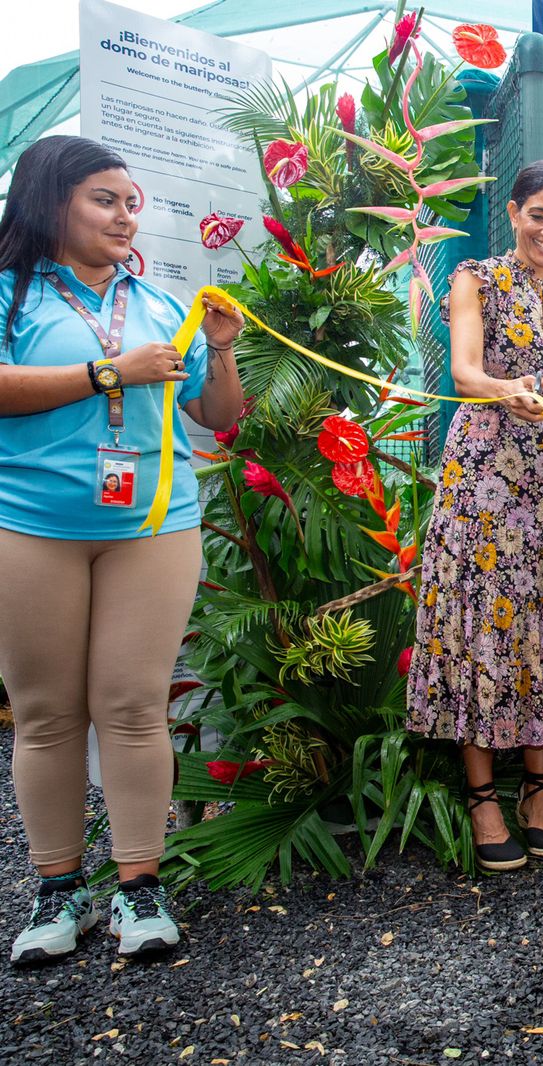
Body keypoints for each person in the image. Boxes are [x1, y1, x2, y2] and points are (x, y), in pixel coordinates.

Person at [0, 136, 244, 963]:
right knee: (46, 713)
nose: (125, 213)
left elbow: (217, 417)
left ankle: (141, 890)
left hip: (152, 527)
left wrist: (222, 347)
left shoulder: (160, 300)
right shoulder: (11, 295)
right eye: (105, 198)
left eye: (131, 201)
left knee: (135, 708)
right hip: (30, 525)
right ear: (50, 202)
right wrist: (112, 373)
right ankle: (56, 894)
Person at [406, 161, 543, 871]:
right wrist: (503, 388)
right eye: (538, 215)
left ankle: (540, 792)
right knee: (482, 623)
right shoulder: (476, 277)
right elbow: (463, 372)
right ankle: (483, 798)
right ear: (515, 212)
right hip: (484, 472)